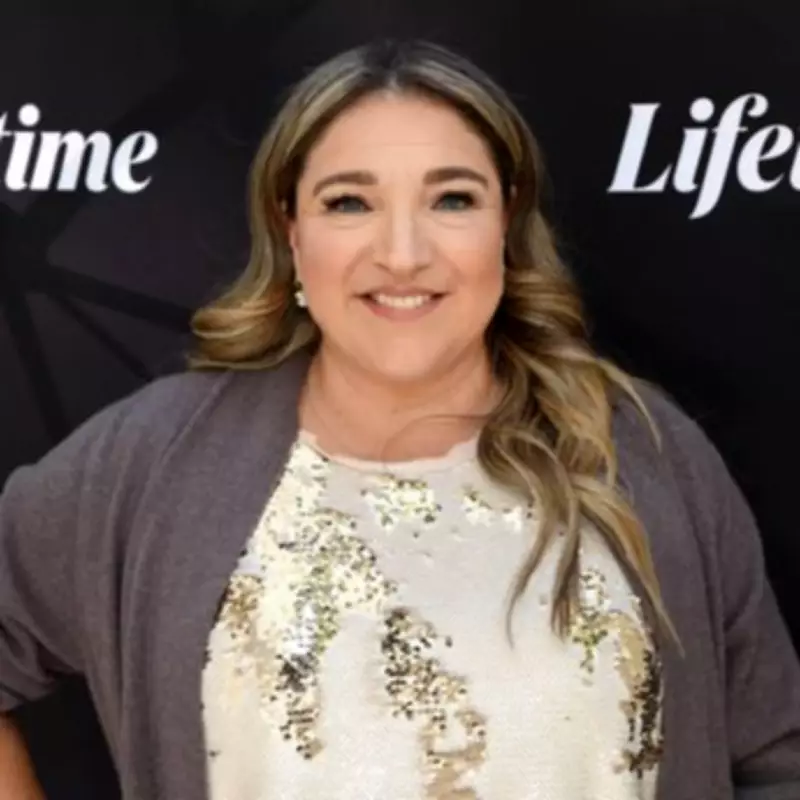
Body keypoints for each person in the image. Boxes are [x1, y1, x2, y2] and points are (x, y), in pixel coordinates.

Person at [1, 38, 799, 800]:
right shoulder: (154, 460)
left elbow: (775, 757)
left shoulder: (646, 450)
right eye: (350, 202)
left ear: (506, 222)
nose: (404, 252)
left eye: (452, 198)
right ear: (290, 227)